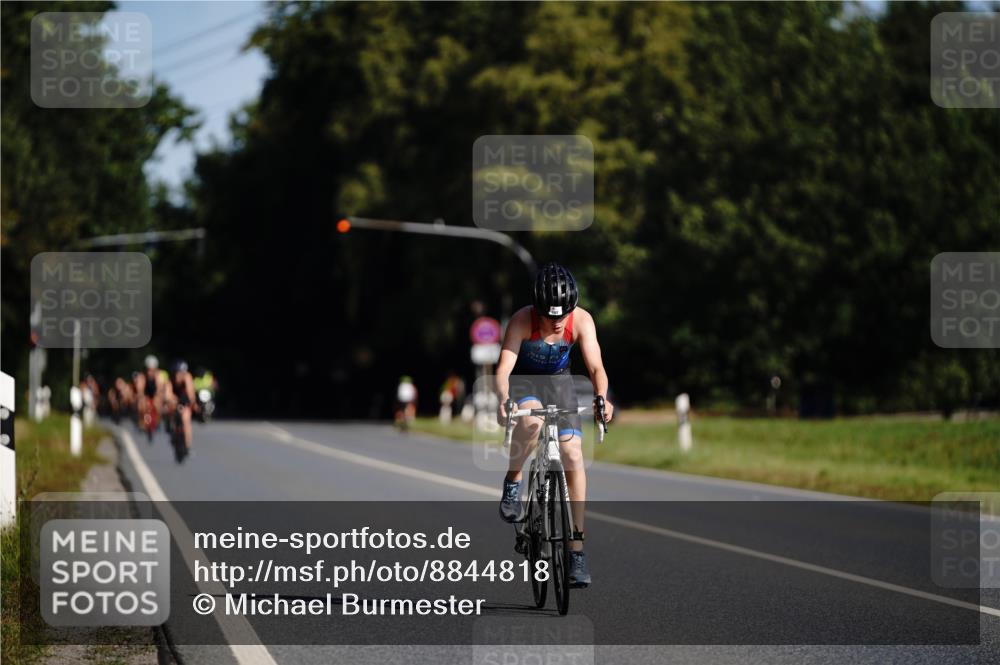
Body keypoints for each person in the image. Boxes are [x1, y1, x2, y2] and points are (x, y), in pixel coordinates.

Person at [495, 262, 614, 588]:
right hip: (526, 384)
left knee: (574, 456)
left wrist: (602, 397)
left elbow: (596, 367)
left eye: (563, 316)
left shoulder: (583, 321)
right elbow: (504, 368)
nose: (557, 323)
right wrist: (504, 398)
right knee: (532, 423)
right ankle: (513, 480)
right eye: (550, 317)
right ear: (537, 309)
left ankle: (576, 549)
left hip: (561, 385)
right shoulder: (521, 320)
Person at [168, 360, 196, 457]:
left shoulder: (187, 378)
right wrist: (173, 401)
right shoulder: (170, 379)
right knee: (169, 410)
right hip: (174, 402)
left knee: (186, 420)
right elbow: (168, 395)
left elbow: (190, 394)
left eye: (181, 373)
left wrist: (187, 404)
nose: (179, 376)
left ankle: (187, 446)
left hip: (185, 401)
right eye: (177, 373)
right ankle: (170, 428)